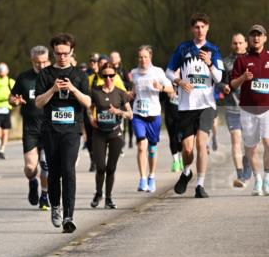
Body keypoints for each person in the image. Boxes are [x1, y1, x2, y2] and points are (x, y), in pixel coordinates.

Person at [35, 33, 91, 233]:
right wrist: (52, 90)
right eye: (58, 53)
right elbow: (38, 102)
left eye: (65, 53)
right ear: (53, 52)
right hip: (50, 131)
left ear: (72, 51)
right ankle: (55, 206)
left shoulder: (80, 76)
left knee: (68, 171)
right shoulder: (45, 74)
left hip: (72, 131)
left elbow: (88, 102)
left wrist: (73, 90)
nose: (62, 57)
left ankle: (69, 216)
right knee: (54, 173)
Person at [167, 12, 224, 198]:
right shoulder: (183, 48)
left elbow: (219, 78)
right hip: (186, 106)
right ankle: (186, 173)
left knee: (201, 143)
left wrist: (209, 63)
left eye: (203, 27)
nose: (200, 30)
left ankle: (200, 185)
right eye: (197, 27)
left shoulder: (214, 50)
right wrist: (179, 81)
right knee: (188, 149)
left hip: (206, 105)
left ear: (208, 28)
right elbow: (168, 71)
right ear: (192, 29)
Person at [9, 46, 51, 209]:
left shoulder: (53, 77)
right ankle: (33, 182)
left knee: (46, 165)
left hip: (49, 128)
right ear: (32, 61)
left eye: (44, 62)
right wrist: (15, 102)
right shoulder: (24, 78)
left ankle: (45, 196)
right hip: (31, 129)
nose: (41, 65)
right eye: (38, 62)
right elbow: (12, 98)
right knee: (30, 168)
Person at [230, 24, 269, 196]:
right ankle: (257, 179)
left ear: (265, 38)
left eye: (259, 35)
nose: (256, 38)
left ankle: (267, 178)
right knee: (251, 148)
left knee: (268, 143)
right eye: (253, 35)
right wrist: (243, 77)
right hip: (248, 110)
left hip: (267, 109)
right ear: (249, 39)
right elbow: (232, 84)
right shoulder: (242, 60)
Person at [128, 45, 173, 193]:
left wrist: (161, 87)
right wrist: (131, 94)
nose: (143, 60)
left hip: (154, 115)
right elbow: (133, 90)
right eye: (140, 57)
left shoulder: (158, 71)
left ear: (150, 57)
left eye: (145, 57)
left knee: (152, 149)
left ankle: (151, 176)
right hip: (138, 115)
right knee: (142, 146)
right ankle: (142, 179)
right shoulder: (134, 73)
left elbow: (171, 89)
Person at [89, 67, 133, 208]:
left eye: (111, 75)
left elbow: (130, 114)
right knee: (100, 167)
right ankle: (98, 193)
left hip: (115, 133)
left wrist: (118, 111)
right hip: (99, 133)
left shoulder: (121, 93)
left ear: (115, 76)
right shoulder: (95, 91)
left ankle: (108, 199)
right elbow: (89, 107)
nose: (108, 78)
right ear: (102, 77)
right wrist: (91, 118)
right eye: (105, 76)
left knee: (111, 168)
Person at [222, 33, 251, 187]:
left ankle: (247, 170)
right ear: (231, 45)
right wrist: (223, 86)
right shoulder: (225, 63)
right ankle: (240, 176)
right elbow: (218, 81)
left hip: (251, 108)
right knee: (236, 139)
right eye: (235, 43)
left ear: (246, 44)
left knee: (249, 143)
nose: (238, 46)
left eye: (240, 43)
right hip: (232, 107)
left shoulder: (253, 60)